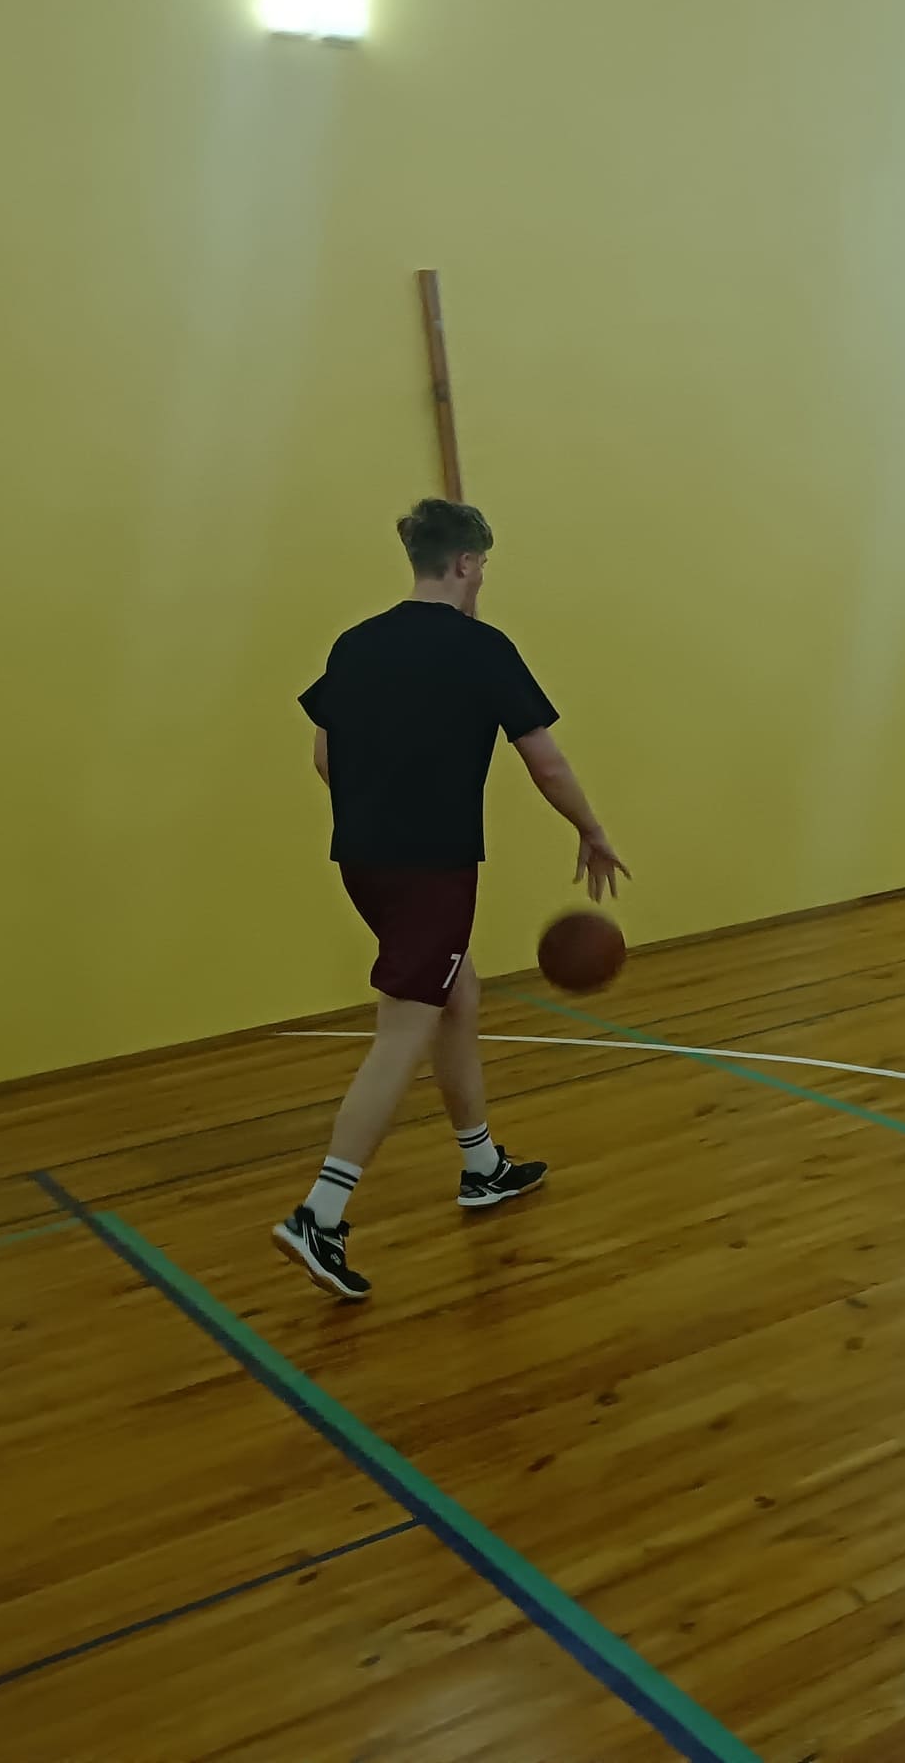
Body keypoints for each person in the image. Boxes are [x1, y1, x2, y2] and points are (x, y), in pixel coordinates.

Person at [275, 499, 630, 1300]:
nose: (482, 579)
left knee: (457, 990)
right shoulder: (482, 648)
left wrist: (377, 813)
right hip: (432, 868)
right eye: (483, 566)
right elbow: (546, 762)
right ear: (466, 564)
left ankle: (482, 1165)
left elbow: (325, 756)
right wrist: (590, 830)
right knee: (403, 1030)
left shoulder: (355, 644)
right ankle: (319, 1215)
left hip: (362, 861)